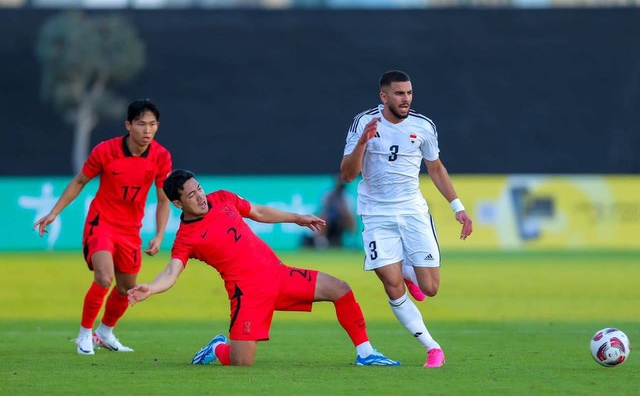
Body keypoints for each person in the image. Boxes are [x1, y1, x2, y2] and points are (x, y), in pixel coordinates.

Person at [127, 169, 399, 367]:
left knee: (340, 289)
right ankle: (219, 348)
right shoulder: (186, 238)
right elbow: (172, 272)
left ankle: (366, 353)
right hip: (248, 297)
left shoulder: (221, 198)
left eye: (199, 188)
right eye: (191, 195)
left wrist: (297, 218)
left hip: (279, 275)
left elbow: (257, 212)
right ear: (177, 204)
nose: (200, 196)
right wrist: (150, 288)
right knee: (241, 362)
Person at [340, 70, 473, 368]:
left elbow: (436, 168)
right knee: (390, 281)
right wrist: (363, 142)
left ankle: (411, 273)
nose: (406, 99)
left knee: (431, 288)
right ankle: (432, 347)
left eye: (409, 93)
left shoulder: (423, 126)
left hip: (413, 212)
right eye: (399, 93)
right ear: (383, 97)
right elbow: (348, 175)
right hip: (376, 214)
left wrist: (458, 207)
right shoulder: (364, 123)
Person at [33, 99, 172, 355]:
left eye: (152, 124)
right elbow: (79, 181)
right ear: (128, 125)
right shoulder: (105, 150)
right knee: (104, 277)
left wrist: (159, 235)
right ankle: (84, 334)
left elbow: (163, 200)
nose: (147, 130)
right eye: (141, 124)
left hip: (131, 230)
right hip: (102, 223)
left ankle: (105, 333)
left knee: (126, 289)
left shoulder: (161, 157)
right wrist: (53, 212)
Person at [302, 174, 355, 249]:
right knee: (323, 216)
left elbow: (349, 212)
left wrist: (341, 209)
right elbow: (323, 208)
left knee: (350, 217)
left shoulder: (347, 197)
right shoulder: (328, 194)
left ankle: (352, 240)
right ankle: (321, 242)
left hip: (341, 220)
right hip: (329, 219)